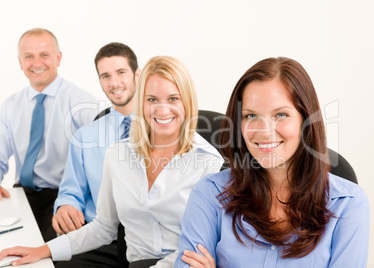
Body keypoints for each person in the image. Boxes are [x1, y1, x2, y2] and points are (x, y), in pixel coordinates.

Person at [0, 56, 223, 268]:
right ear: (141, 102)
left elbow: (199, 245)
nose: (162, 109)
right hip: (136, 263)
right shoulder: (118, 154)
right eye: (152, 99)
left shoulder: (210, 164)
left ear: (188, 101)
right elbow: (104, 227)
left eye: (173, 98)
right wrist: (44, 250)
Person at [175, 57, 370, 267]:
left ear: (306, 120)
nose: (265, 131)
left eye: (281, 114)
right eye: (251, 116)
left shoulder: (348, 204)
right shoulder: (209, 194)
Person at [0, 28, 98, 242]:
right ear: (20, 62)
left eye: (44, 55)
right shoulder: (10, 106)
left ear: (58, 58)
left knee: (46, 252)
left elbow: (104, 150)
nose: (37, 63)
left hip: (62, 197)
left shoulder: (81, 102)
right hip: (20, 193)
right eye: (29, 56)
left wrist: (75, 199)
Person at [51, 42, 141, 268]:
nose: (114, 83)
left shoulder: (163, 125)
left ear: (137, 74)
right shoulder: (84, 137)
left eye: (121, 72)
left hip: (149, 240)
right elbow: (71, 191)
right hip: (102, 240)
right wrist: (65, 206)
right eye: (105, 76)